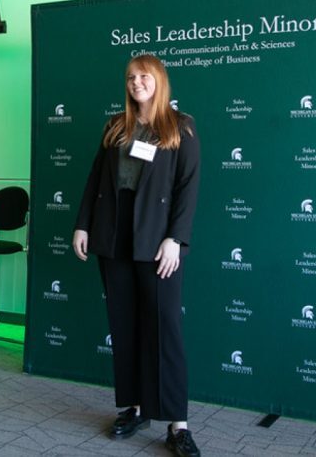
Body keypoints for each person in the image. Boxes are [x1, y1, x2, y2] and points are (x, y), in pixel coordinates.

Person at [72, 53, 201, 457]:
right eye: (130, 77)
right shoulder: (115, 125)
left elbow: (188, 188)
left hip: (156, 236)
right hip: (113, 232)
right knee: (124, 324)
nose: (136, 82)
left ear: (158, 80)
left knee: (164, 328)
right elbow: (95, 177)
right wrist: (83, 224)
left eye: (143, 76)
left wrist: (175, 240)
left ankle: (177, 424)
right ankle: (136, 408)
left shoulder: (180, 127)